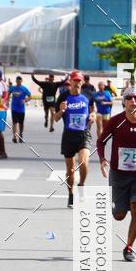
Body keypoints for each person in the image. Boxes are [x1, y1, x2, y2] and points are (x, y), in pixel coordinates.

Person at [97, 87, 136, 262]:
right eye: (129, 98)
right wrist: (102, 160)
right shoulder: (115, 121)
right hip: (118, 174)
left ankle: (129, 247)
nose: (133, 100)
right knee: (119, 215)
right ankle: (119, 203)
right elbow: (101, 141)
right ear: (124, 102)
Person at [54, 70, 95, 208]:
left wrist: (93, 116)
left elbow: (92, 110)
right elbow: (55, 118)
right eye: (74, 80)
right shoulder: (63, 97)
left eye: (79, 81)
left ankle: (81, 184)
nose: (77, 83)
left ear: (82, 82)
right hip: (68, 136)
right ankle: (71, 194)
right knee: (70, 169)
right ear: (70, 82)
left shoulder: (88, 95)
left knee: (83, 162)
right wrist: (61, 111)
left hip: (84, 134)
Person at [8, 76, 32, 142]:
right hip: (14, 108)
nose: (18, 82)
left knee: (21, 123)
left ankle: (20, 134)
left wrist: (25, 100)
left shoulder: (24, 88)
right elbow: (8, 93)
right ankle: (14, 137)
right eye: (17, 80)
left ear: (21, 81)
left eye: (19, 80)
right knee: (14, 122)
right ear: (16, 81)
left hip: (21, 109)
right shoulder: (13, 88)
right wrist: (7, 100)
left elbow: (30, 96)